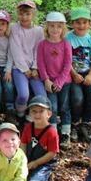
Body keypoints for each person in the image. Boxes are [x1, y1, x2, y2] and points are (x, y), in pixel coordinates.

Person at [37, 12, 72, 147]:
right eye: (52, 26)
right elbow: (41, 63)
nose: (55, 29)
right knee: (52, 107)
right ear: (47, 27)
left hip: (65, 82)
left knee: (64, 107)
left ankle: (65, 134)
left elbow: (68, 64)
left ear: (63, 28)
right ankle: (52, 133)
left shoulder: (65, 44)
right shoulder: (42, 45)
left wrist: (59, 82)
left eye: (58, 26)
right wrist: (46, 80)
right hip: (49, 83)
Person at [9, 0, 46, 127]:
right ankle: (20, 115)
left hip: (34, 69)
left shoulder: (39, 31)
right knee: (24, 94)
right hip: (19, 68)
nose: (24, 17)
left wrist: (35, 67)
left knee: (41, 95)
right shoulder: (14, 28)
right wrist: (25, 69)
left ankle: (34, 119)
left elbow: (39, 51)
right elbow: (15, 50)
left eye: (27, 14)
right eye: (21, 14)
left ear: (33, 14)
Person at [67, 7, 91, 143]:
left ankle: (86, 123)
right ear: (72, 23)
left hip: (87, 73)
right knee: (77, 98)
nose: (81, 25)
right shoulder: (68, 38)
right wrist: (74, 74)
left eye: (84, 22)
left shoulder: (90, 40)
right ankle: (74, 123)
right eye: (78, 22)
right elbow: (65, 61)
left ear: (89, 24)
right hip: (72, 73)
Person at [18, 95, 58, 181]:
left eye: (41, 111)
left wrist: (36, 163)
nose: (37, 114)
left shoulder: (51, 131)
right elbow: (23, 145)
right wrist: (22, 161)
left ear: (48, 114)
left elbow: (52, 153)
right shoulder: (28, 127)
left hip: (44, 163)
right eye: (34, 111)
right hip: (29, 161)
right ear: (30, 113)